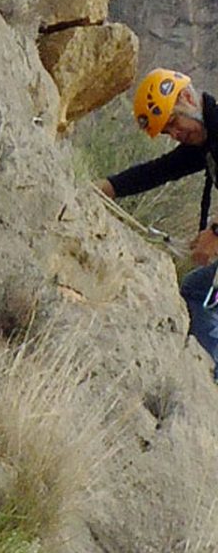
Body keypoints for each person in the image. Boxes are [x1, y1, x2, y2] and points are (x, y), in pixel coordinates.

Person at [98, 68, 218, 380]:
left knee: (200, 295)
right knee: (200, 291)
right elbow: (158, 171)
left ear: (188, 98)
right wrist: (103, 189)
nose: (176, 136)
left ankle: (210, 380)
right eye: (167, 132)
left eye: (174, 123)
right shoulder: (206, 142)